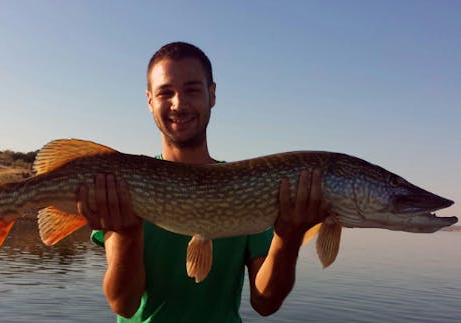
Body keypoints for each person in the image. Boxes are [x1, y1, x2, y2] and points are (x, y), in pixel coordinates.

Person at [77, 41, 330, 322]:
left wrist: (290, 236)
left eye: (192, 90)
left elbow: (265, 303)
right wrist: (126, 234)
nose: (179, 103)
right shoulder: (121, 183)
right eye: (166, 93)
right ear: (150, 101)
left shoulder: (248, 186)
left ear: (212, 94)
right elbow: (123, 304)